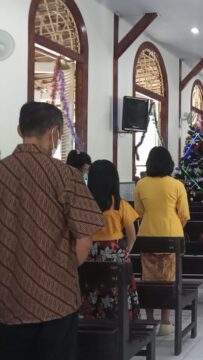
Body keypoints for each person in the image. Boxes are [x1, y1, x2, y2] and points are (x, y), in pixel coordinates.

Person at [0, 102, 104, 359]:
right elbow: (85, 237)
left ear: (19, 130)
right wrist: (63, 269)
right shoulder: (66, 175)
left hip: (8, 297)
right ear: (55, 133)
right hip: (56, 297)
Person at [134, 146, 190, 336]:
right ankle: (165, 321)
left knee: (148, 278)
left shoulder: (141, 184)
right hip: (171, 236)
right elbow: (183, 215)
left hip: (146, 234)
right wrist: (173, 228)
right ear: (169, 164)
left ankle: (149, 319)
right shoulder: (176, 185)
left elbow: (139, 213)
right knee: (168, 278)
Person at [84, 160, 140, 320]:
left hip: (90, 254)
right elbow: (132, 235)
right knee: (119, 291)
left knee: (93, 290)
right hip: (116, 254)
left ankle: (93, 321)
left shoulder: (85, 205)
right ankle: (123, 322)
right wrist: (125, 252)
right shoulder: (120, 205)